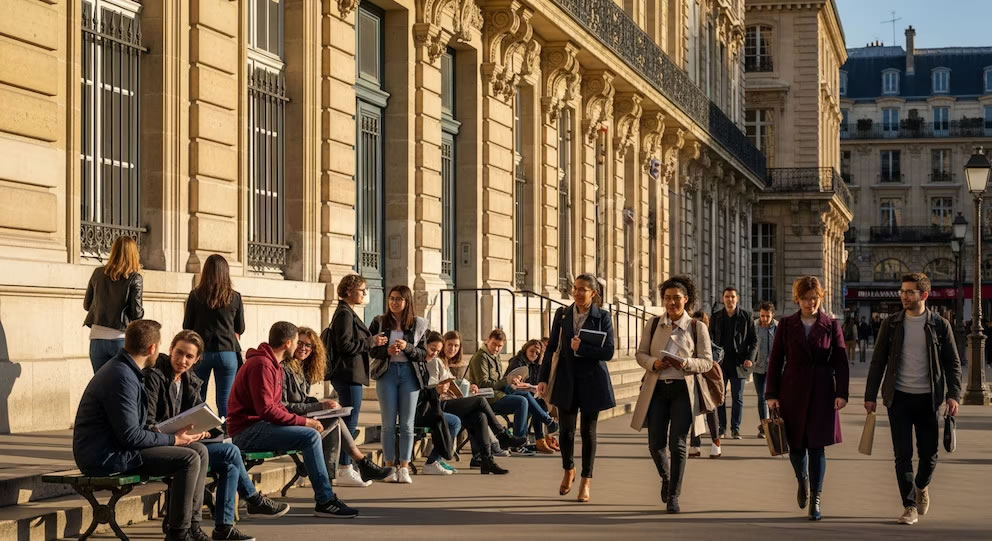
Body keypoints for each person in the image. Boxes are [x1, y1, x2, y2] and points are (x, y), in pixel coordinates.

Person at [144, 330, 289, 541]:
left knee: (229, 464)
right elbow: (149, 423)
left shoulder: (190, 380)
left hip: (188, 443)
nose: (182, 360)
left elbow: (199, 413)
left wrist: (208, 428)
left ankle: (224, 527)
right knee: (230, 451)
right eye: (179, 353)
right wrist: (176, 433)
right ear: (170, 350)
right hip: (165, 444)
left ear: (197, 360)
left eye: (189, 357)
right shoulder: (155, 377)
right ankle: (252, 499)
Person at [73, 320, 209, 541]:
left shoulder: (127, 371)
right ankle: (178, 534)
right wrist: (173, 439)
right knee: (189, 458)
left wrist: (172, 436)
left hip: (115, 448)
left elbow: (133, 431)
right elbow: (131, 436)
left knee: (199, 451)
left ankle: (191, 526)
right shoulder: (122, 377)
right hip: (103, 456)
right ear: (152, 348)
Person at [227, 321, 358, 518]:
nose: (299, 347)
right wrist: (305, 422)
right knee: (310, 436)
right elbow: (268, 410)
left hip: (260, 426)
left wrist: (308, 417)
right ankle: (325, 500)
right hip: (246, 431)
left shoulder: (273, 365)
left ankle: (326, 496)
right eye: (297, 342)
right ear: (288, 343)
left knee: (315, 432)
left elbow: (276, 407)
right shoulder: (262, 364)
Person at [865, 273, 962, 526]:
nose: (904, 296)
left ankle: (921, 485)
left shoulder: (940, 325)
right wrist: (870, 396)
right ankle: (909, 505)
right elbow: (878, 362)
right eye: (902, 291)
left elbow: (953, 364)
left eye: (909, 292)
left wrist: (954, 395)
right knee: (902, 454)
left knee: (929, 454)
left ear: (924, 296)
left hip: (929, 399)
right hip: (898, 398)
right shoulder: (892, 323)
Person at [765, 276, 850, 521]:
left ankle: (816, 498)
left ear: (820, 298)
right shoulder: (786, 324)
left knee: (817, 447)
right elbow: (775, 360)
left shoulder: (831, 325)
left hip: (822, 391)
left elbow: (841, 362)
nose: (810, 303)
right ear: (797, 299)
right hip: (792, 389)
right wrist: (771, 395)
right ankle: (802, 479)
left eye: (814, 298)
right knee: (796, 446)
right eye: (805, 298)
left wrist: (841, 393)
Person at [632, 276, 714, 513]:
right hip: (656, 389)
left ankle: (674, 495)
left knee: (677, 443)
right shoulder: (654, 323)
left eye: (676, 298)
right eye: (667, 298)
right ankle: (666, 478)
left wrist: (686, 363)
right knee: (655, 443)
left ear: (686, 299)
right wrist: (653, 363)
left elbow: (707, 362)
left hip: (683, 391)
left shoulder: (698, 327)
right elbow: (640, 354)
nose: (671, 303)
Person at [537, 273, 616, 503]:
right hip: (566, 377)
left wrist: (582, 348)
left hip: (593, 380)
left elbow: (608, 351)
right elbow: (551, 347)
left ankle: (586, 479)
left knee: (588, 432)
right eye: (575, 288)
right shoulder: (562, 314)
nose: (578, 293)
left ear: (594, 293)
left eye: (583, 289)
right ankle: (568, 469)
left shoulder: (602, 316)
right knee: (566, 431)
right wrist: (543, 378)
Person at [282, 327, 392, 485]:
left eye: (308, 345)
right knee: (334, 422)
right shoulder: (284, 368)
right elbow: (285, 406)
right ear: (291, 343)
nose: (303, 348)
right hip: (286, 420)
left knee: (334, 418)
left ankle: (336, 474)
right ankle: (356, 466)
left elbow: (301, 399)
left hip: (299, 416)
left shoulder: (301, 369)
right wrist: (319, 406)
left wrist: (322, 405)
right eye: (300, 343)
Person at [422, 331, 520, 474]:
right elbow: (433, 388)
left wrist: (466, 388)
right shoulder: (435, 360)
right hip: (439, 404)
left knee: (479, 416)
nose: (452, 349)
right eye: (449, 345)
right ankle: (502, 435)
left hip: (449, 401)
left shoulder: (444, 362)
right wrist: (443, 389)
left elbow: (452, 387)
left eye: (456, 346)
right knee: (480, 401)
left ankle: (486, 460)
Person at [324, 274, 388, 485]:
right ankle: (344, 468)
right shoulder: (344, 314)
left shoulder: (348, 312)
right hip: (347, 374)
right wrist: (371, 341)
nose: (365, 293)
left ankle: (345, 467)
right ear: (349, 290)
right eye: (362, 289)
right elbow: (346, 346)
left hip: (351, 374)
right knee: (349, 423)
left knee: (348, 421)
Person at [368, 285, 429, 484]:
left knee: (406, 424)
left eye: (399, 299)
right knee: (387, 423)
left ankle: (404, 466)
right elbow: (369, 349)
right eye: (392, 298)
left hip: (409, 375)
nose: (394, 302)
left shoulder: (418, 324)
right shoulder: (379, 322)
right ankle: (388, 466)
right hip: (387, 374)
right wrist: (386, 352)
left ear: (407, 302)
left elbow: (423, 354)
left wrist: (407, 347)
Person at [468, 329, 557, 455]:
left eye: (500, 346)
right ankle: (528, 436)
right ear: (488, 341)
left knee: (526, 397)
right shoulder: (481, 357)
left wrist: (512, 382)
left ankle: (524, 440)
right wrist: (507, 380)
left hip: (498, 394)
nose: (497, 348)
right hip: (487, 398)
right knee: (521, 401)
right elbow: (483, 384)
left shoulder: (494, 356)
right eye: (494, 344)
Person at [184, 254, 245, 418]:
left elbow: (186, 326)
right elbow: (241, 328)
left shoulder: (195, 295)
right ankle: (228, 434)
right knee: (225, 401)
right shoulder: (235, 297)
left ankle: (201, 433)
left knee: (198, 398)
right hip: (227, 352)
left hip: (201, 353)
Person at [83, 235, 144, 373]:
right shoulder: (135, 278)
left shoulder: (98, 273)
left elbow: (87, 305)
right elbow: (137, 313)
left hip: (97, 337)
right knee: (121, 385)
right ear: (134, 254)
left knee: (101, 384)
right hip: (120, 339)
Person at [709, 287, 757, 440]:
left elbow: (754, 340)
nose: (730, 300)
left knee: (737, 397)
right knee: (720, 397)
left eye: (732, 297)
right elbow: (709, 339)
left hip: (739, 363)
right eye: (727, 297)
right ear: (723, 298)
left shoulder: (746, 316)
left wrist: (750, 357)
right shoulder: (716, 317)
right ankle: (721, 427)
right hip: (720, 363)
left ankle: (735, 428)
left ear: (737, 299)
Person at [506, 339, 557, 454]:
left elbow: (537, 382)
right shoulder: (517, 361)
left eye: (537, 353)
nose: (534, 354)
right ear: (526, 349)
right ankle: (548, 422)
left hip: (528, 395)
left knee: (541, 404)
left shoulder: (535, 365)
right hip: (512, 393)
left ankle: (540, 440)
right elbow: (510, 381)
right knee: (528, 399)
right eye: (532, 351)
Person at [687, 311, 721, 459]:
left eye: (699, 322)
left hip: (706, 378)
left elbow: (719, 352)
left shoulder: (705, 336)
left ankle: (716, 443)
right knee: (695, 410)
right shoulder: (688, 335)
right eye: (694, 322)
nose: (695, 325)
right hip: (692, 377)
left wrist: (711, 361)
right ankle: (695, 445)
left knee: (710, 409)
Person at [753, 302, 777, 437]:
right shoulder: (755, 326)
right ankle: (764, 427)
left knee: (773, 398)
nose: (764, 319)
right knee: (761, 397)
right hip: (758, 367)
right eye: (762, 316)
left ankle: (773, 425)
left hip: (774, 369)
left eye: (767, 316)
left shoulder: (778, 327)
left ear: (772, 315)